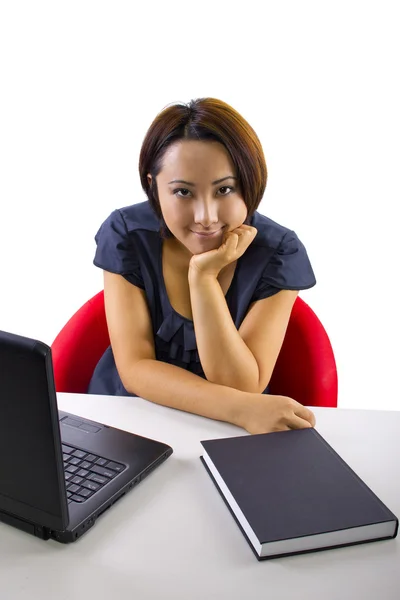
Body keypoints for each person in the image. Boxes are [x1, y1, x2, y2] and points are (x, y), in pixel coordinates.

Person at [87, 97, 317, 434]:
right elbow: (135, 367)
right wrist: (240, 409)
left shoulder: (279, 251)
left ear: (250, 183)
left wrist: (204, 277)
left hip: (235, 428)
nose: (206, 217)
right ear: (153, 186)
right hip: (131, 415)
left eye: (224, 189)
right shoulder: (128, 233)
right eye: (183, 192)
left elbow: (241, 384)